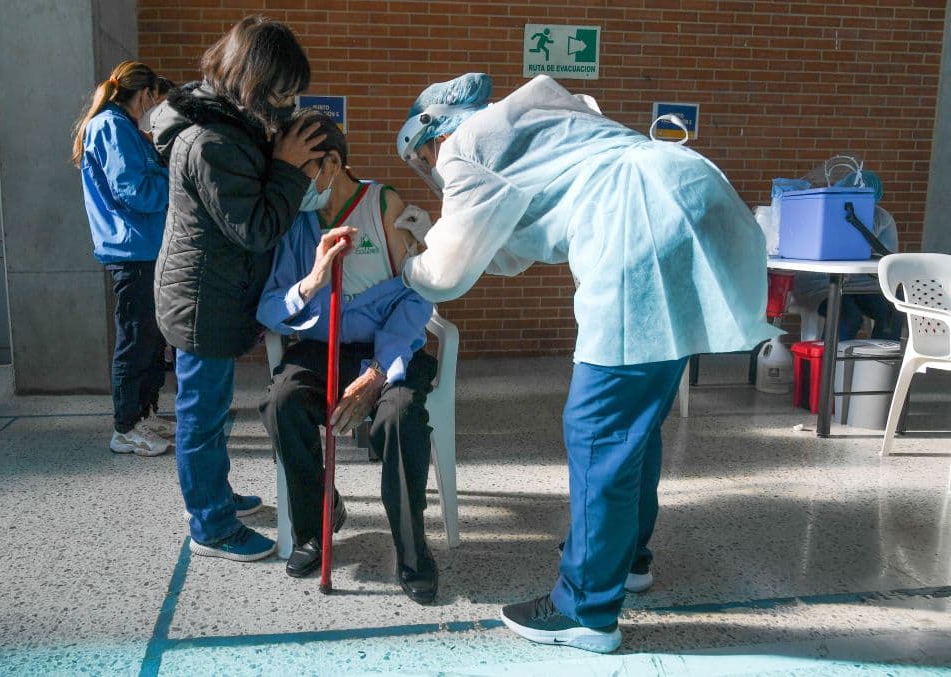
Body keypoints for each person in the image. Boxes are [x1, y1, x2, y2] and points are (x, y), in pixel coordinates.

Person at [395, 73, 776, 652]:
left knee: (597, 427)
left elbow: (448, 275)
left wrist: (407, 262)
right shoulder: (532, 118)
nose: (432, 167)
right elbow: (510, 248)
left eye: (424, 158)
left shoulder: (462, 145)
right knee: (633, 421)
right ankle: (627, 560)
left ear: (429, 137)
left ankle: (585, 610)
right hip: (694, 190)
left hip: (637, 227)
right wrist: (438, 236)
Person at [150, 17, 325, 562]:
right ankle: (210, 525)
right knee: (202, 416)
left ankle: (213, 495)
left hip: (214, 290)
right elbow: (256, 228)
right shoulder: (211, 142)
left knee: (212, 409)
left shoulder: (229, 122)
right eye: (283, 91)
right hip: (203, 301)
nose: (290, 103)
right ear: (252, 80)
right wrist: (291, 169)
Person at [258, 110, 439, 604]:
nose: (294, 183)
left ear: (332, 163)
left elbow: (417, 297)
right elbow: (270, 305)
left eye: (301, 170)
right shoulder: (294, 223)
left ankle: (412, 548)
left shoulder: (384, 205)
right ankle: (316, 525)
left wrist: (380, 374)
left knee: (399, 417)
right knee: (282, 401)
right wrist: (312, 281)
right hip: (321, 347)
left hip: (388, 348)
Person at [73, 60, 175, 457]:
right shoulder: (112, 126)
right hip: (133, 251)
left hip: (145, 247)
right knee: (135, 339)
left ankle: (143, 412)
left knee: (151, 340)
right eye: (157, 100)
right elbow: (136, 191)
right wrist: (178, 175)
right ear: (146, 95)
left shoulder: (125, 128)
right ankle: (125, 427)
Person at [791, 171, 904, 341]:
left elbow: (883, 258)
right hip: (820, 284)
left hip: (859, 285)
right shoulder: (822, 212)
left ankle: (877, 364)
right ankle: (828, 366)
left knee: (894, 308)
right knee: (847, 317)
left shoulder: (879, 218)